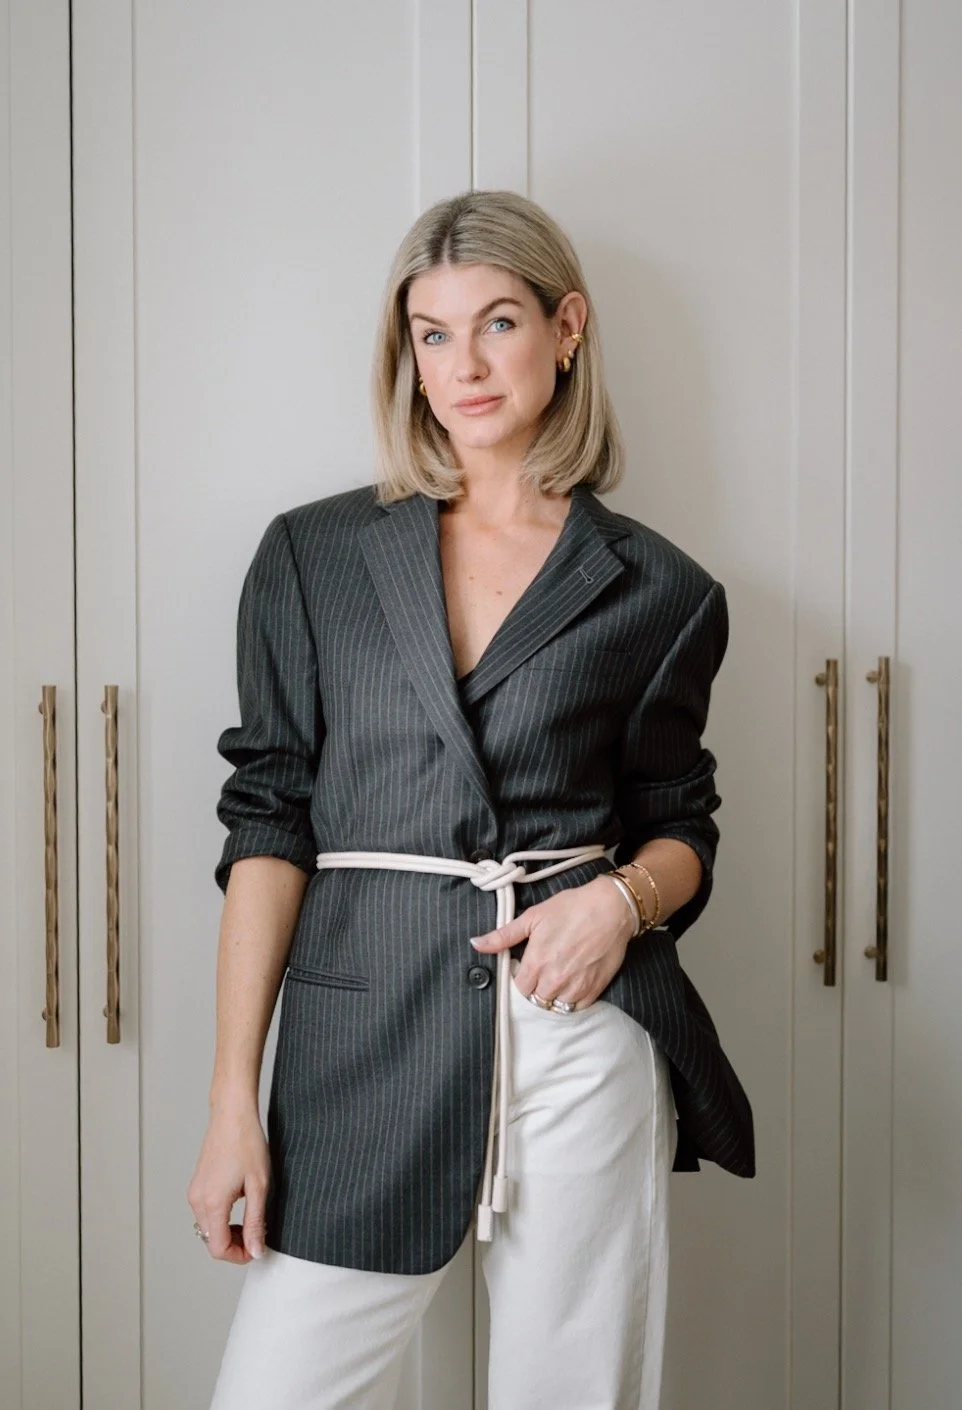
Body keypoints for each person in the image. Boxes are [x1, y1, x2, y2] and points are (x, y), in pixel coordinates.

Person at [188, 188, 755, 1410]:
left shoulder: (659, 587)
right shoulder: (313, 555)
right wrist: (235, 1101)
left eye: (496, 323)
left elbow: (682, 821)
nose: (464, 363)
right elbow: (268, 818)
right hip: (361, 1035)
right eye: (431, 334)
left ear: (566, 327)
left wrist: (619, 905)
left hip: (581, 1026)